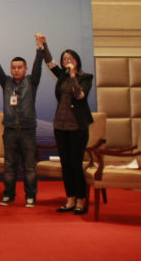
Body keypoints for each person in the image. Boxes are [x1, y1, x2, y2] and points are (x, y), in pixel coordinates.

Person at [0, 34, 45, 208]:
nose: (16, 70)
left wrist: (40, 49)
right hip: (10, 131)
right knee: (9, 167)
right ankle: (8, 195)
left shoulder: (32, 82)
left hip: (28, 131)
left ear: (25, 69)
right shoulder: (6, 82)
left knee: (29, 167)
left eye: (20, 67)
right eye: (13, 68)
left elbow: (38, 67)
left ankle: (30, 196)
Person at [42, 38, 94, 215]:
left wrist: (72, 76)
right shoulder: (61, 75)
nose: (68, 61)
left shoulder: (85, 77)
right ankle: (70, 199)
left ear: (77, 60)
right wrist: (43, 45)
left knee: (75, 163)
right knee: (65, 164)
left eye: (70, 58)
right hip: (60, 125)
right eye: (65, 59)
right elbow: (49, 62)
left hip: (78, 127)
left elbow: (79, 95)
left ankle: (80, 200)